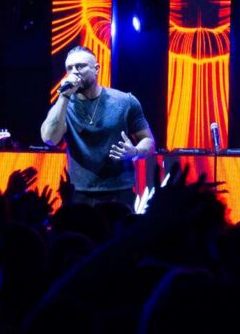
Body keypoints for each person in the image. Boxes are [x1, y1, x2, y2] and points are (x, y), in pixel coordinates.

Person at [39, 45, 154, 211]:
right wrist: (64, 96)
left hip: (120, 191)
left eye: (80, 66)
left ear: (96, 69)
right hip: (79, 192)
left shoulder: (125, 101)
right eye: (70, 68)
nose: (74, 72)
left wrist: (135, 152)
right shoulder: (63, 106)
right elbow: (50, 139)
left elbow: (148, 140)